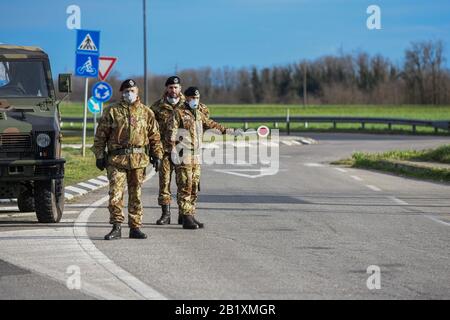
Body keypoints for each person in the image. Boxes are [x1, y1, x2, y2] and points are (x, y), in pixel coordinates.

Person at [92, 79, 163, 240]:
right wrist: (99, 155)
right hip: (117, 159)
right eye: (126, 91)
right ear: (121, 93)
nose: (129, 94)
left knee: (136, 194)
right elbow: (100, 135)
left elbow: (154, 136)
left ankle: (135, 227)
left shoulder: (146, 112)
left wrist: (157, 154)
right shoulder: (112, 111)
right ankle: (116, 226)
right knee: (116, 194)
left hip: (138, 160)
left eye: (132, 91)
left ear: (137, 92)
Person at [167, 86, 233, 229]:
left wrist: (226, 130)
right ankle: (186, 217)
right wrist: (172, 149)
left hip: (196, 155)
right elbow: (171, 132)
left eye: (197, 98)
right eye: (192, 98)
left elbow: (210, 123)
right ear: (187, 98)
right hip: (183, 153)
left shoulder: (198, 113)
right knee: (185, 185)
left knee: (194, 187)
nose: (195, 100)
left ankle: (191, 213)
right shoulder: (178, 113)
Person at [150, 76, 185, 225]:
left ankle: (184, 213)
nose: (173, 90)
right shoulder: (157, 107)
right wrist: (154, 152)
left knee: (184, 183)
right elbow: (151, 130)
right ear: (166, 89)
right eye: (170, 87)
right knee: (164, 183)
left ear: (180, 88)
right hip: (164, 151)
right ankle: (166, 214)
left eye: (176, 87)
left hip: (183, 152)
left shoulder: (188, 106)